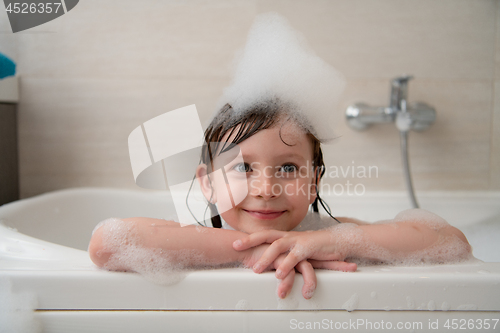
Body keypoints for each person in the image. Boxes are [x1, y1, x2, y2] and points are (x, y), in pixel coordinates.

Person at [88, 101, 471, 300]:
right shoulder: (196, 240)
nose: (265, 187)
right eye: (243, 168)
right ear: (207, 185)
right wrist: (245, 252)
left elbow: (449, 241)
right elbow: (107, 243)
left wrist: (329, 241)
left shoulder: (329, 235)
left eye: (288, 169)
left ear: (314, 182)